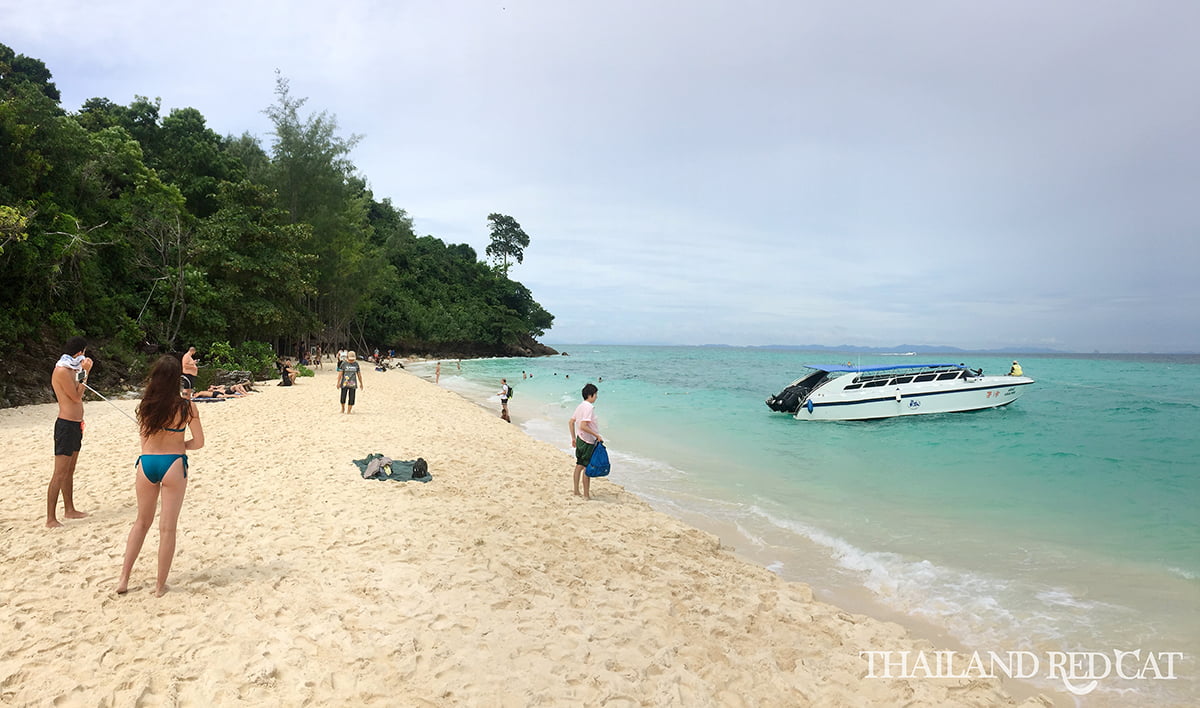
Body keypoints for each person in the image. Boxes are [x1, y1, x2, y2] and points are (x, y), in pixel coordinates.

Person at [117, 355, 204, 596]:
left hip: (146, 464)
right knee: (167, 528)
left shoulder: (145, 405)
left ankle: (123, 579)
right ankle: (159, 586)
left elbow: (145, 441)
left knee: (141, 522)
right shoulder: (186, 407)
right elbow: (199, 442)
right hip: (173, 463)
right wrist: (179, 445)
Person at [47, 336, 93, 527]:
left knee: (70, 470)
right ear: (80, 352)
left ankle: (69, 509)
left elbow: (78, 388)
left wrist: (81, 372)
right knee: (59, 473)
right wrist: (85, 372)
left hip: (75, 424)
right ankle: (50, 518)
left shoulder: (71, 369)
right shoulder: (62, 370)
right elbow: (76, 395)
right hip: (65, 425)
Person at [568, 383, 603, 500]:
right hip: (587, 441)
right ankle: (586, 495)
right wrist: (597, 435)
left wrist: (573, 438)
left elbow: (571, 422)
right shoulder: (589, 407)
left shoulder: (580, 406)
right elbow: (583, 425)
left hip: (580, 439)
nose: (597, 397)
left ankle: (576, 491)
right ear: (590, 395)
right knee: (586, 467)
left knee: (579, 465)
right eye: (596, 394)